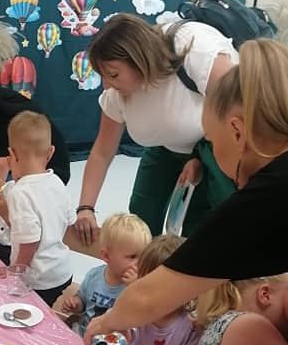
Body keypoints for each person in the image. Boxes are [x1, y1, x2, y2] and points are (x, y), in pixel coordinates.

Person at [87, 40, 288, 345]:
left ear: (237, 132)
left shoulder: (277, 191)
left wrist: (104, 323)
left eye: (212, 141)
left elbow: (152, 294)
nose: (213, 153)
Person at [74, 14, 237, 244]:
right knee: (142, 217)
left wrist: (200, 158)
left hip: (219, 143)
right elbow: (102, 151)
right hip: (164, 147)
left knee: (204, 223)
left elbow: (238, 116)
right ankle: (146, 263)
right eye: (102, 76)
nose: (107, 85)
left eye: (113, 74)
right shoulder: (116, 95)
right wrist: (85, 208)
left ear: (139, 60)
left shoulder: (196, 50)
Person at [0, 111, 76, 307]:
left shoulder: (20, 192)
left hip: (38, 277)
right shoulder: (57, 181)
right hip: (61, 270)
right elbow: (67, 222)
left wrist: (15, 270)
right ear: (51, 152)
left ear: (12, 155)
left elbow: (30, 239)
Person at [61, 212, 151, 335]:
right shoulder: (94, 276)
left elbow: (141, 317)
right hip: (85, 334)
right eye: (132, 257)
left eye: (143, 256)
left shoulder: (140, 284)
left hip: (116, 343)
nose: (139, 263)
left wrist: (134, 288)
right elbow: (83, 301)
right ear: (107, 256)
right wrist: (76, 304)